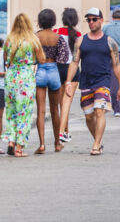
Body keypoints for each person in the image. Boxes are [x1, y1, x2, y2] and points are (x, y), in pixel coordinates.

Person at [64, 7, 120, 156]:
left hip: (103, 81)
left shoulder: (109, 42)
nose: (91, 22)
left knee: (99, 112)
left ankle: (96, 145)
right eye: (88, 20)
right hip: (86, 82)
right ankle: (98, 140)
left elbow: (116, 65)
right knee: (89, 116)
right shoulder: (81, 40)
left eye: (94, 19)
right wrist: (68, 82)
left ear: (101, 21)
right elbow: (74, 62)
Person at [3, 13, 44, 158]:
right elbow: (41, 59)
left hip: (11, 77)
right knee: (24, 113)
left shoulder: (9, 40)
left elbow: (5, 60)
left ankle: (11, 141)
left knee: (11, 111)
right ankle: (19, 148)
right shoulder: (33, 40)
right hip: (26, 77)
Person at [35, 9, 69, 153]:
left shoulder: (35, 37)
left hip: (40, 70)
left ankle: (42, 144)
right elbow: (64, 58)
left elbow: (30, 55)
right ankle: (57, 143)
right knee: (55, 110)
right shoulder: (59, 37)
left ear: (40, 21)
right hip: (54, 70)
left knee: (41, 111)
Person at [55, 8, 80, 143]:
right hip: (74, 69)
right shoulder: (79, 35)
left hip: (58, 68)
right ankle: (62, 132)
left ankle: (65, 131)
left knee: (61, 103)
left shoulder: (56, 32)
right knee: (67, 103)